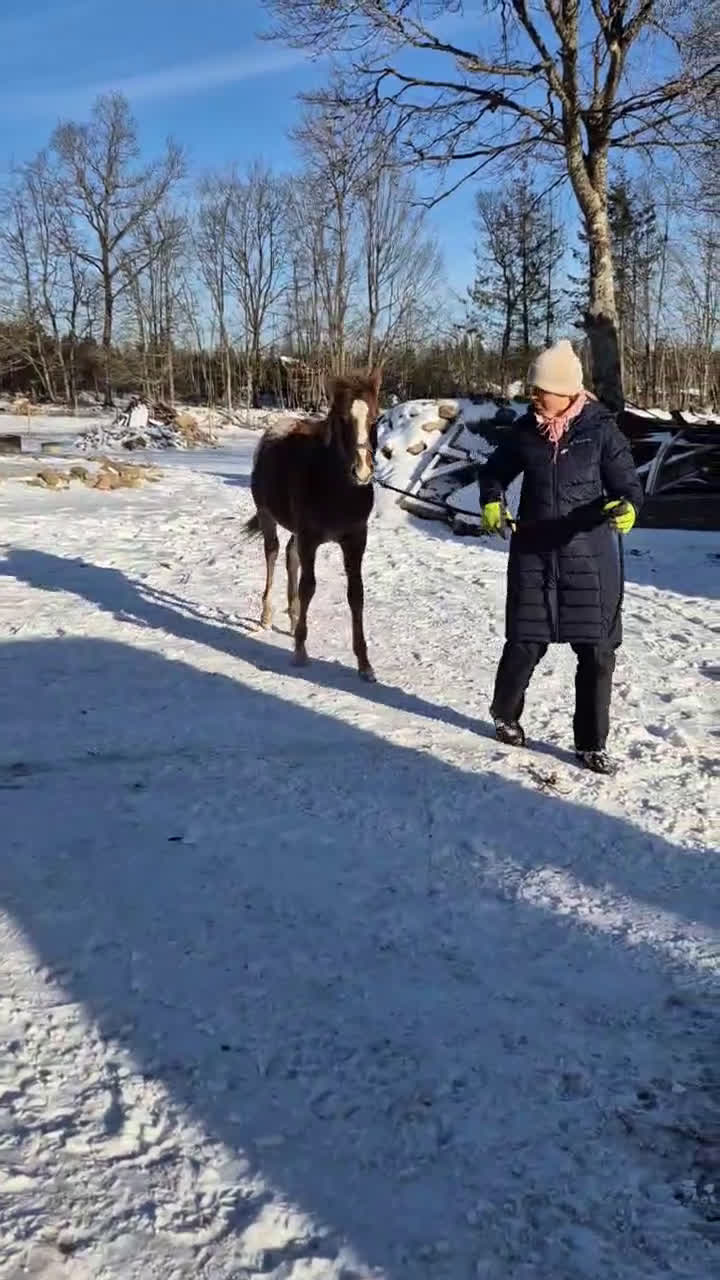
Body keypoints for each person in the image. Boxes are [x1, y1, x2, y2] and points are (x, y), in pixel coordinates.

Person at [479, 339, 643, 775]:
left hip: (588, 558)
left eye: (541, 390)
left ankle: (591, 743)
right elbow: (494, 470)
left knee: (597, 651)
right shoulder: (525, 432)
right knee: (525, 641)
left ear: (568, 390)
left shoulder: (601, 430)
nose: (533, 397)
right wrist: (492, 499)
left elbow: (628, 486)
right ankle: (505, 714)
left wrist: (628, 507)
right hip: (534, 552)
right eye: (532, 390)